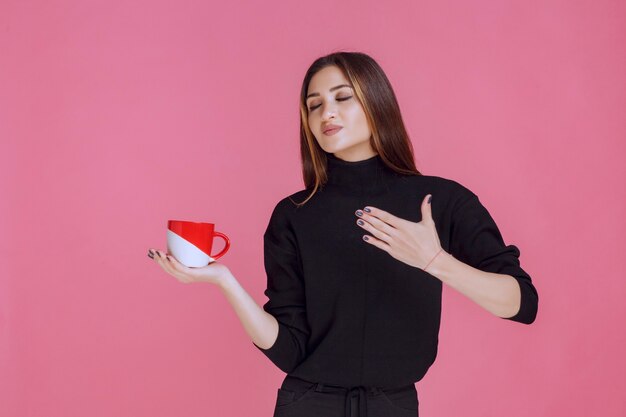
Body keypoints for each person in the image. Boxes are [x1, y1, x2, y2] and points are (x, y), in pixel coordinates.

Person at [148, 51, 539, 417]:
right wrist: (224, 280)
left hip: (394, 405)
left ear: (376, 101)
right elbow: (289, 350)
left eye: (342, 97)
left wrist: (435, 262)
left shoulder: (441, 201)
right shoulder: (294, 214)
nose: (325, 113)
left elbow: (521, 304)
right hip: (305, 403)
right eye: (314, 104)